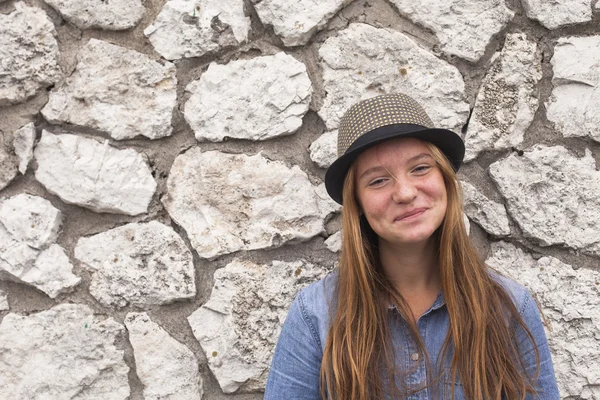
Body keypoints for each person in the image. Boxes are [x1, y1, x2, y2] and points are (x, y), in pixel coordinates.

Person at [264, 94, 559, 399]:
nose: (404, 193)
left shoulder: (509, 308)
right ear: (359, 203)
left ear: (444, 179)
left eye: (420, 168)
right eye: (378, 181)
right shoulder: (315, 316)